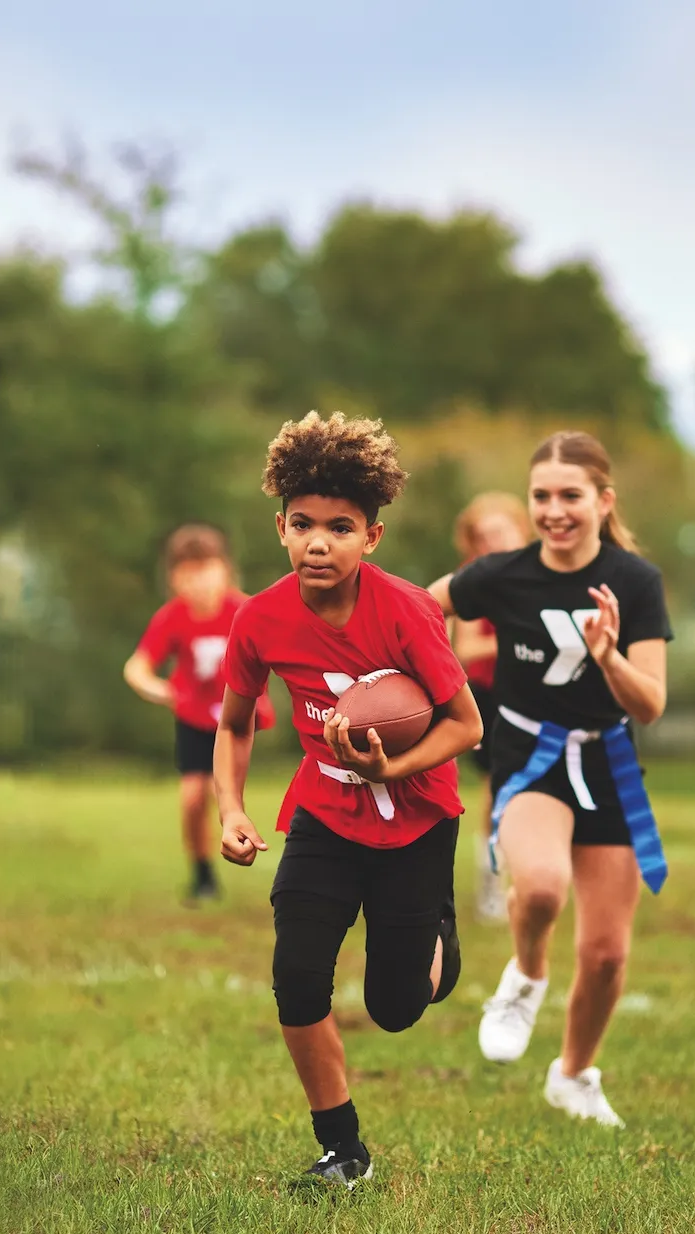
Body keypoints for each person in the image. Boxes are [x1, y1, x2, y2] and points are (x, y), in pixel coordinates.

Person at [215, 411, 484, 1187]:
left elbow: (465, 725)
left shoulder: (406, 611)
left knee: (397, 1006)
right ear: (280, 528)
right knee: (297, 976)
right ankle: (343, 1148)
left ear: (373, 536)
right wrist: (232, 810)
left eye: (339, 526)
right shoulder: (259, 617)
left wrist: (389, 770)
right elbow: (233, 725)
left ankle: (438, 933)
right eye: (303, 525)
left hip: (417, 820)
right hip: (323, 818)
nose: (318, 542)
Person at [430, 430, 672, 1127]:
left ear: (603, 500)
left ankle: (572, 1075)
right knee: (538, 888)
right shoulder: (503, 573)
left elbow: (650, 703)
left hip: (608, 765)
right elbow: (423, 605)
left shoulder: (635, 581)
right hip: (529, 757)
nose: (555, 510)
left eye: (570, 495)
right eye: (542, 496)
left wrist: (609, 658)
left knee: (605, 955)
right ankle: (526, 973)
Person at [124, 524, 275, 902]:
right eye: (188, 574)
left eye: (207, 570)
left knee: (217, 789)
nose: (200, 582)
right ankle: (202, 873)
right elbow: (137, 667)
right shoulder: (173, 618)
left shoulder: (245, 609)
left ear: (225, 570)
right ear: (174, 579)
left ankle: (240, 843)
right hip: (192, 719)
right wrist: (156, 688)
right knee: (192, 798)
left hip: (236, 719)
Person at [450, 493, 535, 924]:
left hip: (541, 695)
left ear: (523, 529)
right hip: (493, 696)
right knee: (499, 789)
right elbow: (465, 648)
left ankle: (535, 874)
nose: (494, 543)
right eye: (483, 537)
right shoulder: (473, 582)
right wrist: (526, 637)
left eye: (501, 531)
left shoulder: (548, 574)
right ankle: (491, 878)